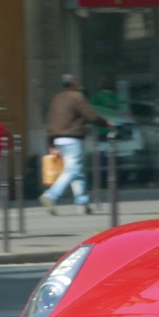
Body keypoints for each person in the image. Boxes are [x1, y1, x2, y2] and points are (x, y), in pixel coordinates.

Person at [40, 75, 108, 215]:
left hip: (58, 138)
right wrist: (106, 124)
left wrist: (51, 143)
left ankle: (82, 203)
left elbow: (50, 121)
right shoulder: (77, 97)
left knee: (78, 171)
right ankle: (51, 195)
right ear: (74, 83)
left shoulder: (57, 98)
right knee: (73, 169)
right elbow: (91, 116)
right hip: (72, 138)